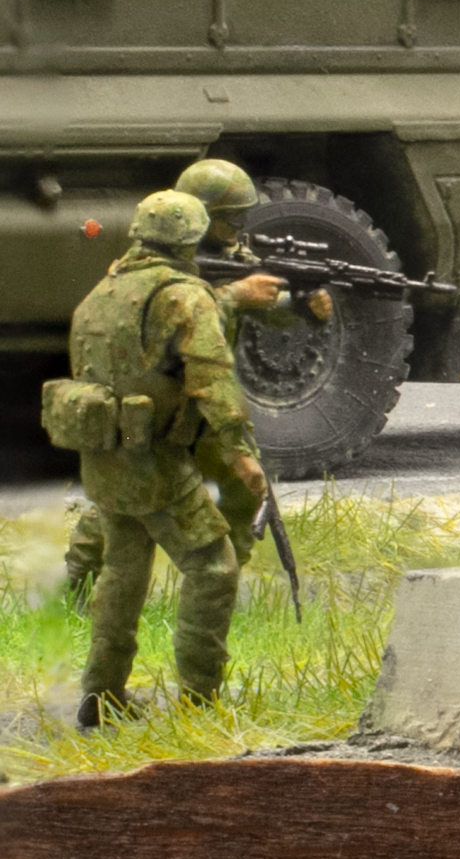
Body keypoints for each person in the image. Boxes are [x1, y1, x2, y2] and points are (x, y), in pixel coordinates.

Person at [59, 160, 329, 599]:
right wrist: (233, 296)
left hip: (208, 399)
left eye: (241, 218)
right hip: (161, 399)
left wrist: (300, 306)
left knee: (245, 489)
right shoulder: (153, 264)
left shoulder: (232, 258)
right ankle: (77, 584)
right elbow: (177, 318)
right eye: (229, 220)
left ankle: (221, 588)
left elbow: (258, 306)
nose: (238, 229)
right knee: (118, 502)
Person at [64, 190, 268, 727]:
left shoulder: (103, 290)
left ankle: (101, 695)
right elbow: (212, 378)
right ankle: (200, 702)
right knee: (213, 567)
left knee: (122, 571)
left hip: (105, 458)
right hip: (155, 464)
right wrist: (239, 452)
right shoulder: (184, 296)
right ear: (191, 240)